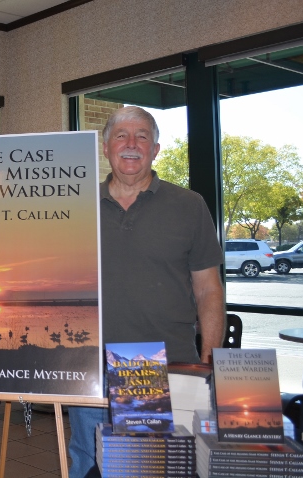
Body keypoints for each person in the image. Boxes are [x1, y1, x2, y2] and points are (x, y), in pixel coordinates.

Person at [67, 106, 225, 477]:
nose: (131, 144)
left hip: (160, 365)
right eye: (121, 135)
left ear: (155, 149)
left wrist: (210, 359)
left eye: (142, 136)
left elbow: (208, 290)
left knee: (150, 468)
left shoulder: (189, 205)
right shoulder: (73, 208)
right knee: (88, 461)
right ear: (106, 147)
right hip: (88, 366)